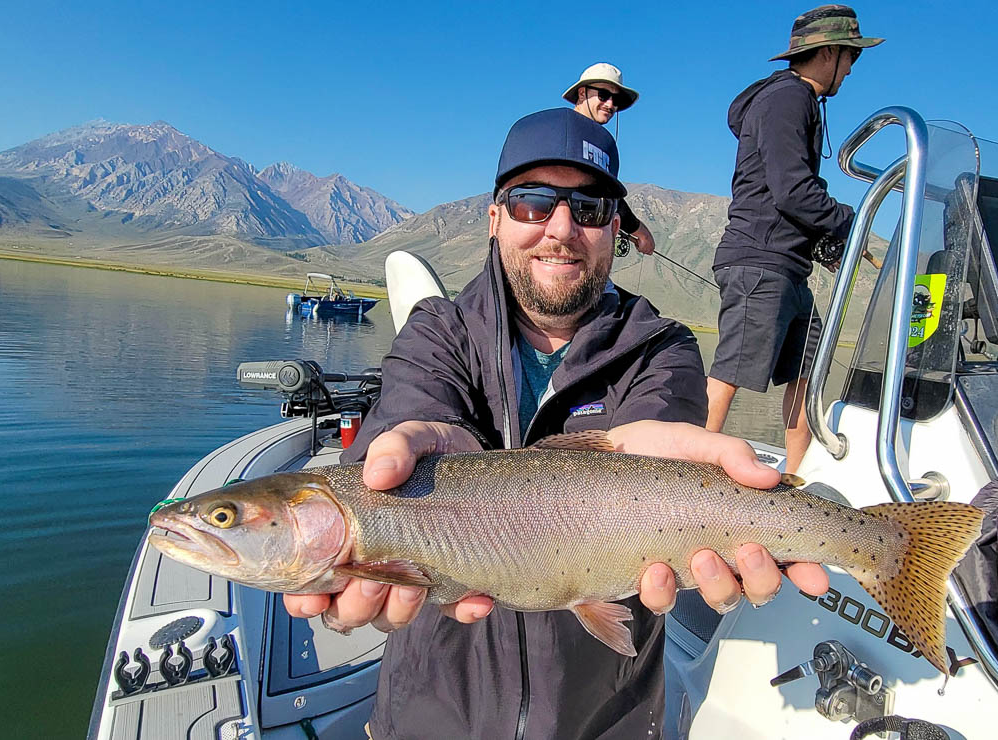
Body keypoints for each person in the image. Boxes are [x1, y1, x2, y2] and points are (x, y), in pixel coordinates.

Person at [284, 108, 828, 739]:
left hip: (605, 720)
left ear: (615, 228)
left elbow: (661, 465)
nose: (562, 229)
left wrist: (632, 461)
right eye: (533, 204)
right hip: (432, 717)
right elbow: (410, 415)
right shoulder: (437, 331)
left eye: (590, 208)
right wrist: (419, 439)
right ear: (495, 219)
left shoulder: (663, 347)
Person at [705, 5, 883, 475]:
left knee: (808, 373)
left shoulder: (796, 101)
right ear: (828, 52)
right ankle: (681, 480)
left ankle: (796, 480)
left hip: (787, 265)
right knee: (729, 374)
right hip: (759, 261)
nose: (851, 69)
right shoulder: (788, 99)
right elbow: (792, 190)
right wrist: (850, 223)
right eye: (851, 58)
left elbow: (794, 190)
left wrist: (825, 243)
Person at [563, 62, 657, 255]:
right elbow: (598, 190)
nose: (610, 105)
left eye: (616, 100)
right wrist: (640, 231)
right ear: (582, 93)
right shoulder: (565, 132)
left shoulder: (602, 145)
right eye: (603, 95)